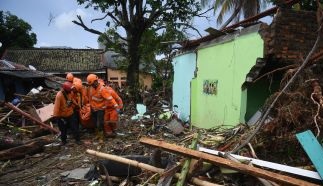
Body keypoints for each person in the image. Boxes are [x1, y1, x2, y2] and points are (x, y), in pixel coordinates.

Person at [87, 74, 119, 142]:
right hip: (93, 108)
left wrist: (116, 106)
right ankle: (98, 135)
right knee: (95, 123)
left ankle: (101, 137)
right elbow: (90, 98)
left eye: (92, 84)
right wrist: (90, 106)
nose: (92, 85)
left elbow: (110, 98)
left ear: (96, 81)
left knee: (99, 124)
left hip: (100, 109)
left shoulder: (102, 89)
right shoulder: (91, 88)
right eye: (91, 84)